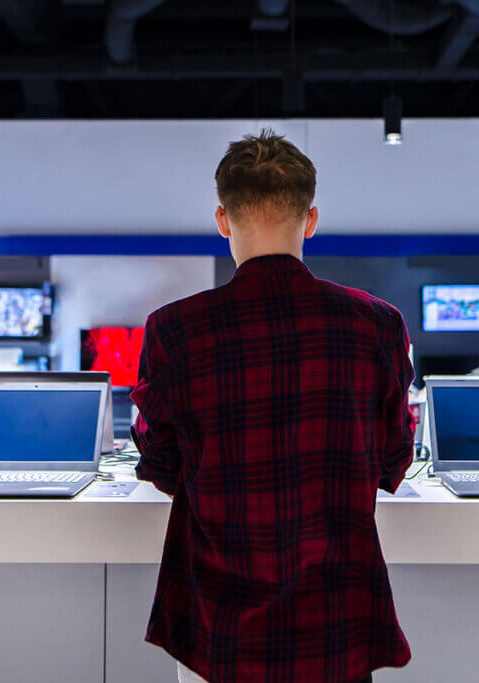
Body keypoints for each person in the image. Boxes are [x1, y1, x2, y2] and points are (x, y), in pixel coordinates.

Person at [131, 130, 415, 683]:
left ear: (222, 219)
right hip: (336, 620)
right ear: (310, 219)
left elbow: (161, 465)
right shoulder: (378, 324)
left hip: (222, 627)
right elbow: (392, 461)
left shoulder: (174, 330)